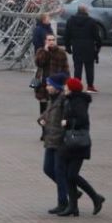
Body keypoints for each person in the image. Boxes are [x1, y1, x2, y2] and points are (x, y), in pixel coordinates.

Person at [57, 77, 105, 217]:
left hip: (78, 143)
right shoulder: (70, 99)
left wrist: (67, 122)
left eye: (66, 87)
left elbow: (82, 120)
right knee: (69, 175)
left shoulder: (78, 101)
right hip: (69, 143)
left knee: (72, 175)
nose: (64, 89)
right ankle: (73, 207)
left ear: (71, 89)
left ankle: (96, 197)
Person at [40, 72, 70, 214]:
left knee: (59, 172)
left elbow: (68, 118)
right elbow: (46, 114)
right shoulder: (53, 99)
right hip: (50, 139)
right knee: (48, 169)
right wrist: (41, 119)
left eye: (49, 85)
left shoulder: (64, 100)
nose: (47, 87)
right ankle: (72, 191)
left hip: (60, 140)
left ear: (57, 87)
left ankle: (63, 202)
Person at [63, 4, 102, 92]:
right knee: (89, 67)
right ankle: (90, 86)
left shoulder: (71, 20)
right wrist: (98, 45)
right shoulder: (91, 21)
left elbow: (66, 35)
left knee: (77, 67)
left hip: (76, 46)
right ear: (86, 11)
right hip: (89, 47)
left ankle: (77, 85)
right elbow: (97, 36)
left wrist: (68, 46)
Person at [34, 32, 69, 124]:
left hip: (56, 86)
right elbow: (39, 63)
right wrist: (45, 52)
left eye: (53, 40)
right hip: (43, 84)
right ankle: (44, 130)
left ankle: (52, 129)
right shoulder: (41, 51)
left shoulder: (61, 53)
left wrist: (67, 83)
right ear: (45, 41)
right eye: (49, 40)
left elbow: (66, 70)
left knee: (55, 108)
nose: (51, 42)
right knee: (43, 109)